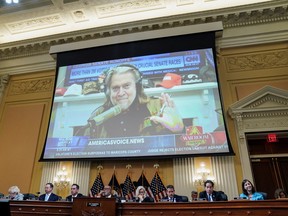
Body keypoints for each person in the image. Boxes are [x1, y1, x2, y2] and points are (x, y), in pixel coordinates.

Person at [78, 64, 184, 138]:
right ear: (108, 91)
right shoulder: (98, 114)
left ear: (137, 88)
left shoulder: (158, 107)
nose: (121, 93)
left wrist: (179, 131)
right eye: (115, 88)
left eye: (126, 86)